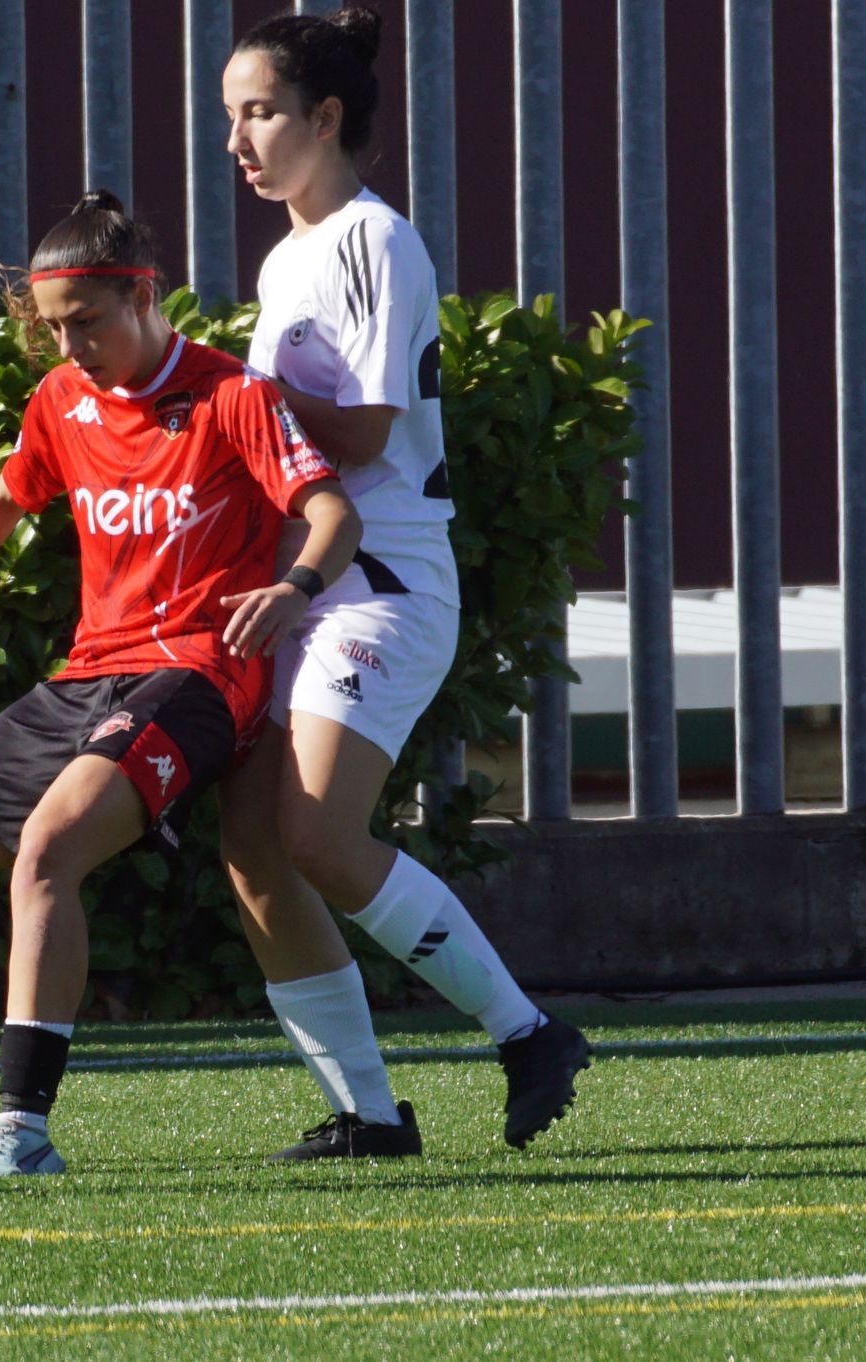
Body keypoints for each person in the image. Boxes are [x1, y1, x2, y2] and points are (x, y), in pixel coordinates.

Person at [0, 191, 361, 1180]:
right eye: (53, 328)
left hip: (195, 675)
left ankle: (21, 1128)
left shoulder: (232, 395)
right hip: (84, 676)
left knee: (49, 849)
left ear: (143, 296)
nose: (71, 347)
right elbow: (4, 494)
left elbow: (327, 513)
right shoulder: (59, 403)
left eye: (87, 322)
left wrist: (292, 585)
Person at [220, 7, 589, 1159]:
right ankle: (369, 1114)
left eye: (260, 111)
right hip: (309, 582)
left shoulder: (377, 242)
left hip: (381, 582)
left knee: (321, 839)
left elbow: (369, 432)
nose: (236, 138)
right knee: (253, 848)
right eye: (229, 114)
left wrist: (228, 402)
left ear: (325, 118)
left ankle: (527, 1033)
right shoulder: (288, 252)